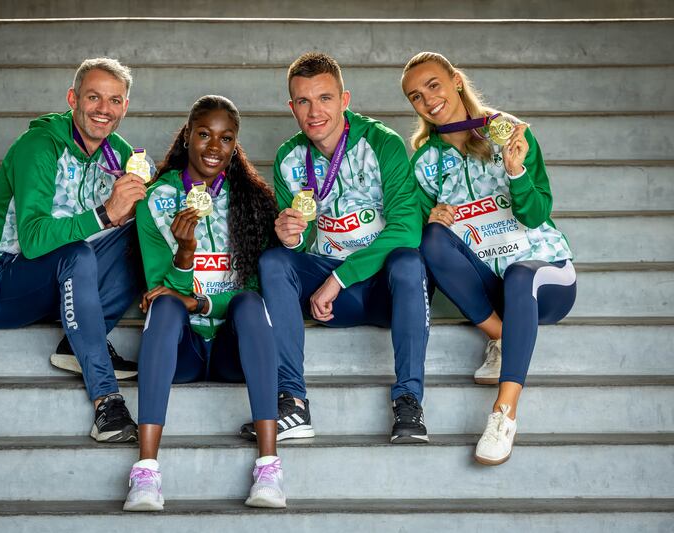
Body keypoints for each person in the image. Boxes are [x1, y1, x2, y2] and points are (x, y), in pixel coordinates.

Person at [240, 52, 430, 445]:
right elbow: (305, 241)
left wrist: (339, 279)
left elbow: (406, 230)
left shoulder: (382, 143)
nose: (314, 112)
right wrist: (293, 238)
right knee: (275, 260)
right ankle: (291, 402)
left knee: (409, 263)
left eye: (325, 98)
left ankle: (409, 400)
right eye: (304, 101)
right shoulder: (289, 157)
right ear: (292, 107)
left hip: (383, 290)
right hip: (326, 294)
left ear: (345, 100)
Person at [0, 58, 154, 443]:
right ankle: (107, 403)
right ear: (73, 98)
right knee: (77, 253)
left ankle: (78, 340)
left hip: (58, 283)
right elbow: (33, 239)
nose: (104, 109)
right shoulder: (38, 145)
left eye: (114, 100)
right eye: (94, 97)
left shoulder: (117, 153)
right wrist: (104, 214)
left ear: (125, 107)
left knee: (144, 229)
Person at [401, 52, 576, 465]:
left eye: (433, 85)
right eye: (415, 96)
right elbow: (417, 236)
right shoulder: (426, 162)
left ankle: (504, 413)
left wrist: (515, 171)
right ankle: (500, 334)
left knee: (519, 275)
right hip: (488, 288)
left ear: (456, 81)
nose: (427, 100)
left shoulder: (510, 132)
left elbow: (537, 213)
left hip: (543, 277)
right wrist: (427, 215)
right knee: (431, 240)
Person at [123, 95, 284, 511]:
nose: (214, 147)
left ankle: (269, 469)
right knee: (165, 307)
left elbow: (254, 288)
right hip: (185, 352)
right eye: (204, 135)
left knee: (249, 304)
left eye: (226, 138)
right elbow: (161, 288)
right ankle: (145, 473)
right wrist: (185, 251)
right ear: (187, 136)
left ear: (235, 146)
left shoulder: (251, 200)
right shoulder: (157, 199)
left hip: (232, 346)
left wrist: (201, 303)